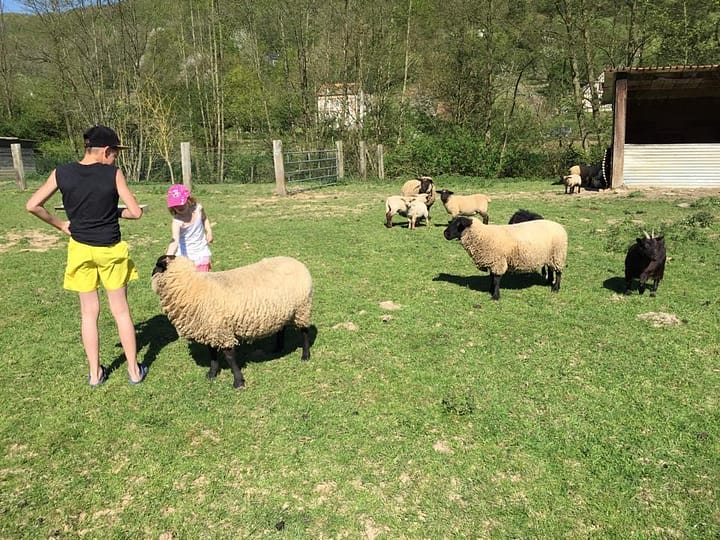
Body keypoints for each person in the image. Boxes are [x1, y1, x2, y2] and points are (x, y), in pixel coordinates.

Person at [26, 125, 148, 386]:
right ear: (106, 150)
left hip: (80, 249)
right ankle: (134, 371)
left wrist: (61, 225)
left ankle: (95, 374)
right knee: (121, 311)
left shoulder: (61, 173)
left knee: (89, 313)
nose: (115, 158)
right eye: (115, 153)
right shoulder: (113, 174)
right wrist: (115, 211)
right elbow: (136, 212)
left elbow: (33, 205)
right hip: (111, 250)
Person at [165, 184, 213, 272]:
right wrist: (168, 257)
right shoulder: (177, 222)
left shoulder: (198, 209)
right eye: (176, 205)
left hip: (202, 253)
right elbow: (174, 241)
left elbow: (204, 219)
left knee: (202, 279)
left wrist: (209, 231)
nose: (179, 207)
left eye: (181, 204)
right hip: (185, 258)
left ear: (188, 200)